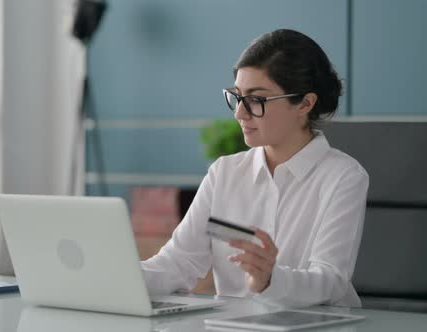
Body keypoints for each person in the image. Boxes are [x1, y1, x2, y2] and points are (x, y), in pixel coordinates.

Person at [141, 29, 369, 308]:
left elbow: (331, 280)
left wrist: (270, 280)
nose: (239, 113)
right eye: (237, 97)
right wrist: (117, 278)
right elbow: (179, 261)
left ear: (305, 104)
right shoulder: (224, 172)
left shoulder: (344, 176)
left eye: (256, 100)